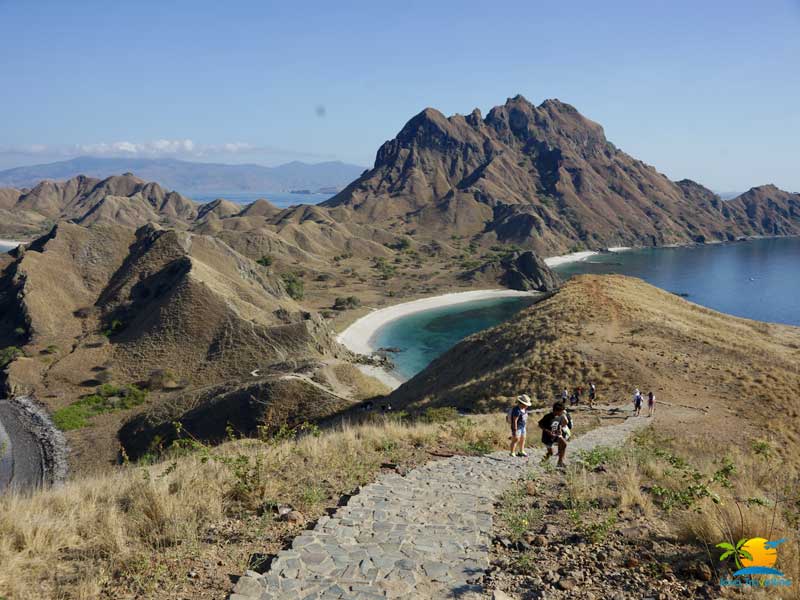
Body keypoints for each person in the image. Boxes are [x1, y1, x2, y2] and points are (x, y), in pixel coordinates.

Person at [539, 401, 570, 468]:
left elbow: (560, 424)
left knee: (564, 444)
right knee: (551, 453)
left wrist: (560, 429)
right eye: (561, 411)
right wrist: (548, 431)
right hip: (547, 437)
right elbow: (540, 424)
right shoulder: (547, 417)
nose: (562, 413)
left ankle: (560, 462)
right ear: (556, 411)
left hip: (556, 435)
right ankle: (543, 462)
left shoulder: (560, 416)